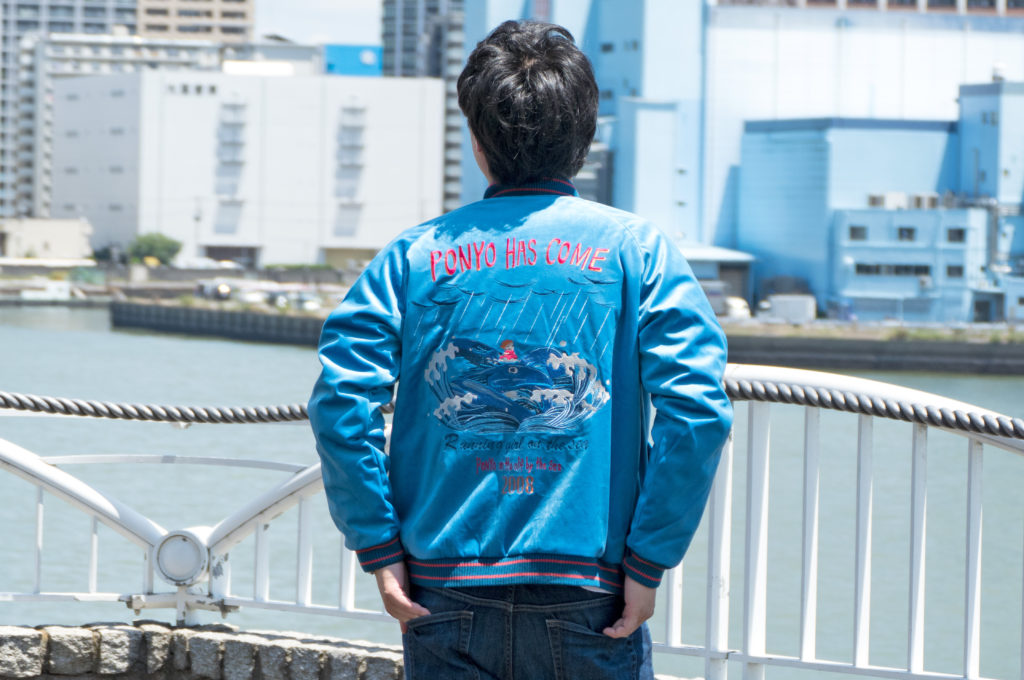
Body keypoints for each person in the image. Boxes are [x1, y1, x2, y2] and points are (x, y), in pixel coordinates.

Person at [309, 19, 733, 680]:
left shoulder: (411, 257)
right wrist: (649, 559)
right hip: (593, 586)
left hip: (442, 584)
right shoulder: (640, 252)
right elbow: (697, 413)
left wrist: (379, 547)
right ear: (584, 139)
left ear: (478, 143)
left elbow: (341, 403)